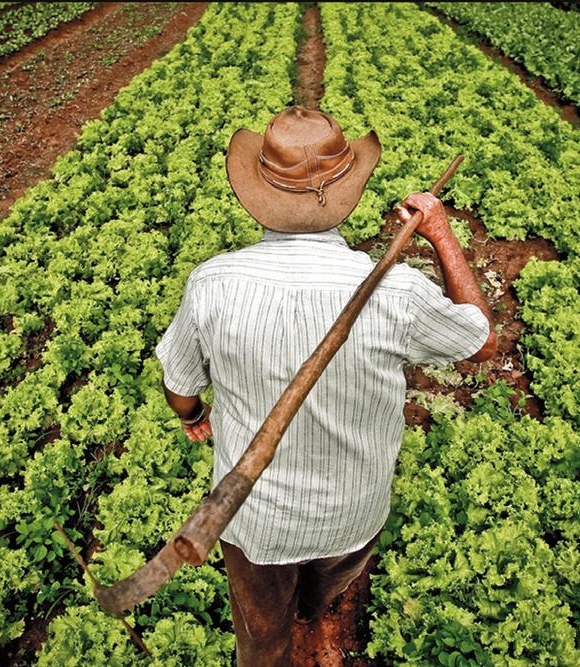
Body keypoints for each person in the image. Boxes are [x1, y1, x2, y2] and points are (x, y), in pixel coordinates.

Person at [155, 106, 495, 666]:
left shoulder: (211, 284)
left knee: (261, 640)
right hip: (352, 512)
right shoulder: (396, 290)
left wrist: (193, 417)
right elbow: (478, 341)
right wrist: (441, 234)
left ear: (258, 189)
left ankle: (283, 637)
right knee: (327, 586)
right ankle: (315, 613)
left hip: (254, 520)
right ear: (349, 192)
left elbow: (181, 386)